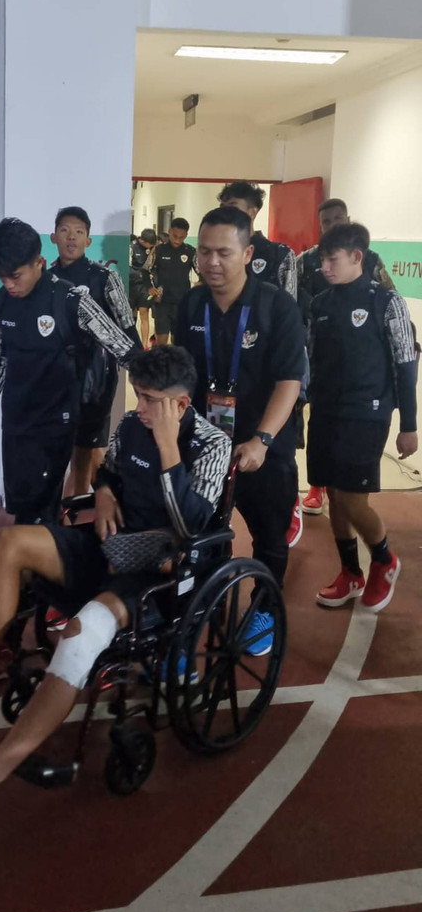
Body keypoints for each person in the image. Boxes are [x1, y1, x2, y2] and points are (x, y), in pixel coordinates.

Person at [0, 346, 231, 832]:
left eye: (151, 400)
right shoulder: (132, 427)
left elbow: (192, 526)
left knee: (81, 636)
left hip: (159, 577)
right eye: (138, 396)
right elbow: (109, 471)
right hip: (108, 546)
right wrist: (107, 492)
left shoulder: (213, 445)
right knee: (10, 544)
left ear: (181, 405)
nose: (139, 409)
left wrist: (170, 448)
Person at [176, 207, 305, 655]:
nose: (212, 262)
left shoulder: (277, 306)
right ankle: (203, 608)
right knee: (203, 534)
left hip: (263, 447)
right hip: (207, 445)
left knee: (270, 536)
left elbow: (291, 380)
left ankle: (264, 609)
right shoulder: (192, 304)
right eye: (204, 252)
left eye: (224, 253)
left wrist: (263, 440)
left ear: (247, 253)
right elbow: (183, 376)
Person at [0, 218, 141, 526]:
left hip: (56, 421)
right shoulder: (3, 300)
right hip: (15, 421)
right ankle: (37, 561)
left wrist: (160, 390)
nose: (8, 285)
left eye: (15, 276)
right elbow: (1, 359)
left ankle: (42, 565)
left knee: (43, 508)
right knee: (21, 506)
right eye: (2, 278)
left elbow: (124, 349)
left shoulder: (72, 300)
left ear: (39, 262)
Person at [307, 221, 417, 613]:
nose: (324, 266)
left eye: (331, 259)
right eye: (321, 259)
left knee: (354, 502)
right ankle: (350, 572)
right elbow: (313, 360)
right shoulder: (320, 303)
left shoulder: (386, 302)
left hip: (366, 414)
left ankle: (385, 560)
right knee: (334, 495)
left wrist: (409, 425)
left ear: (356, 257)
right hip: (326, 412)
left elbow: (406, 363)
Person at [297, 197, 395, 515]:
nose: (333, 224)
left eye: (338, 218)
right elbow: (292, 299)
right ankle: (317, 487)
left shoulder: (370, 259)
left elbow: (388, 302)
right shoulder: (306, 261)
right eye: (326, 221)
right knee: (320, 426)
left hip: (360, 367)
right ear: (320, 225)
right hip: (319, 344)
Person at [219, 179, 303, 547]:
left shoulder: (280, 255)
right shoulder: (204, 284)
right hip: (225, 390)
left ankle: (267, 600)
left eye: (236, 206)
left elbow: (289, 314)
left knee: (270, 520)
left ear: (253, 212)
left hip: (267, 378)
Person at [50, 205, 141, 496]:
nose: (71, 238)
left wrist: (142, 373)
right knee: (70, 448)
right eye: (65, 231)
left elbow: (127, 326)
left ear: (88, 241)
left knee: (85, 448)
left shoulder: (105, 277)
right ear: (53, 237)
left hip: (96, 376)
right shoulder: (44, 279)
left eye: (79, 232)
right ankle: (99, 502)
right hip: (54, 376)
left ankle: (78, 512)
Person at [218, 180, 297, 298]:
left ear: (252, 212)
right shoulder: (215, 252)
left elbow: (290, 304)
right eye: (222, 207)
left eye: (233, 206)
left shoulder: (279, 254)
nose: (226, 213)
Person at [147, 217, 197, 344]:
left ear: (186, 235)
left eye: (181, 237)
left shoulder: (191, 252)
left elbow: (202, 272)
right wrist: (150, 287)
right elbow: (144, 271)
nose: (177, 240)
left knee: (178, 342)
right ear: (169, 231)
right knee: (161, 343)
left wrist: (200, 284)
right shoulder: (158, 250)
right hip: (162, 303)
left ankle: (176, 364)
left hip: (182, 303)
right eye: (174, 236)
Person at [129, 227, 157, 347]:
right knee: (131, 315)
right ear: (142, 240)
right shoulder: (131, 247)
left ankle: (144, 344)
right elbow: (127, 266)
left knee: (144, 313)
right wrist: (140, 275)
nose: (149, 248)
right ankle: (131, 343)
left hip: (145, 287)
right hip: (131, 285)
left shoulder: (153, 249)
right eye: (148, 245)